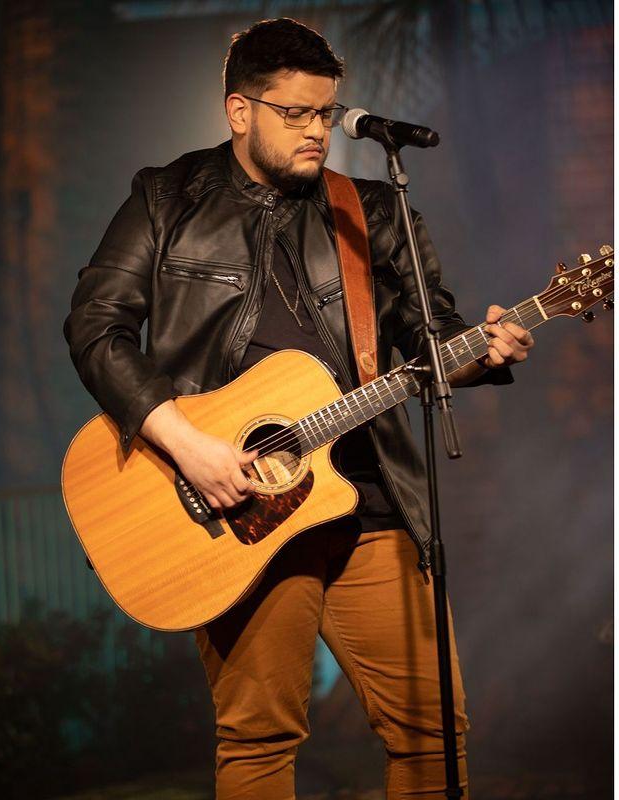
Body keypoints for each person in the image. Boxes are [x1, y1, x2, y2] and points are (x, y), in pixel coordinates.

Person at [64, 17, 534, 800]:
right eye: (296, 114)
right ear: (239, 111)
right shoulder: (166, 196)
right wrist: (186, 444)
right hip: (235, 512)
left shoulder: (372, 210)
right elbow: (96, 326)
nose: (318, 131)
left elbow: (430, 333)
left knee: (434, 736)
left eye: (326, 113)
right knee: (258, 740)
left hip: (369, 500)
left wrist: (482, 350)